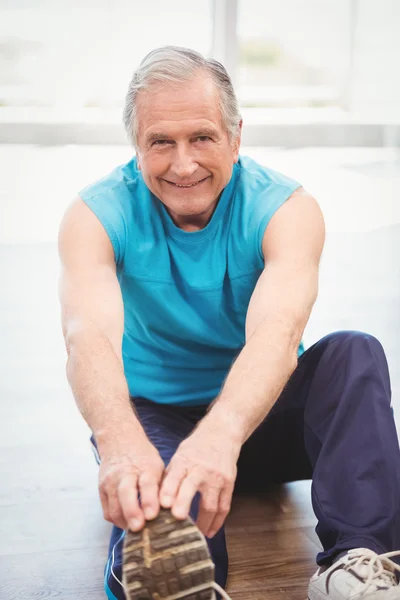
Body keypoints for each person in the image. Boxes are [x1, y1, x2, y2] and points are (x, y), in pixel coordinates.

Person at [58, 46, 400, 600]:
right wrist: (121, 445)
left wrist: (218, 438)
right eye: (160, 142)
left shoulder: (286, 208)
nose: (183, 164)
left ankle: (357, 564)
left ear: (236, 136)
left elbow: (279, 332)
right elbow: (86, 336)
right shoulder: (95, 215)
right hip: (156, 420)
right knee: (168, 529)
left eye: (202, 137)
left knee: (354, 351)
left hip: (261, 416)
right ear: (135, 147)